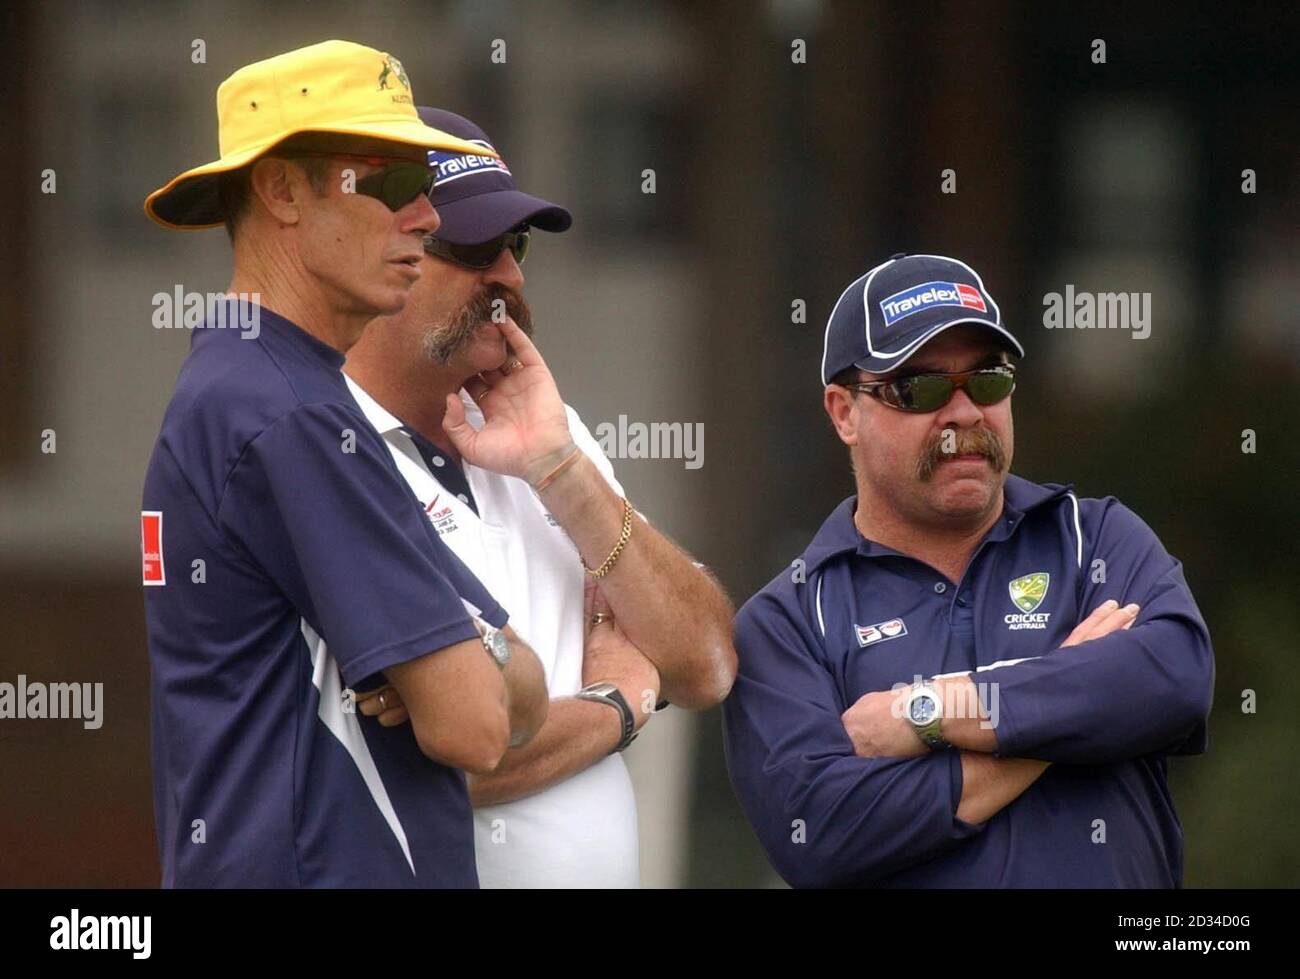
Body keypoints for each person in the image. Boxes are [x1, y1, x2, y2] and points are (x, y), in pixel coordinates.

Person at [141, 41, 548, 888]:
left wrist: (458, 654)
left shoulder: (271, 391)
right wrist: (466, 660)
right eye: (394, 182)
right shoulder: (285, 414)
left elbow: (529, 689)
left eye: (429, 188)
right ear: (281, 189)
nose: (429, 218)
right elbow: (479, 725)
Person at [723, 253, 1214, 887]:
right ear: (844, 412)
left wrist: (923, 713)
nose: (964, 413)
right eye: (920, 388)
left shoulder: (1093, 536)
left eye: (986, 380)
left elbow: (1174, 678)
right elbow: (821, 830)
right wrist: (1070, 706)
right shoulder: (788, 618)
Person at [344, 107, 737, 887]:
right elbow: (417, 767)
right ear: (383, 256)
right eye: (473, 247)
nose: (511, 276)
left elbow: (708, 663)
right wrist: (616, 705)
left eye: (515, 245)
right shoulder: (324, 452)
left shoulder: (540, 430)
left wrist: (562, 468)